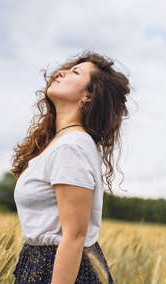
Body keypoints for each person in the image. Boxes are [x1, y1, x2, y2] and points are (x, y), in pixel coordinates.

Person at [10, 50, 132, 283]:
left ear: (89, 95)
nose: (60, 72)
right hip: (41, 263)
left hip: (58, 267)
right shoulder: (61, 143)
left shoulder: (72, 147)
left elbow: (74, 236)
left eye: (75, 72)